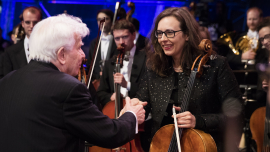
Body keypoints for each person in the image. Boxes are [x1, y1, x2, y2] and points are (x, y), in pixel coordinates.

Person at [0, 14, 147, 152]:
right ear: (61, 54)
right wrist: (131, 115)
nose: (83, 55)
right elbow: (110, 134)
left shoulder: (6, 81)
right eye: (79, 47)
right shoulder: (69, 88)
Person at [129, 7, 243, 152]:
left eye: (170, 33)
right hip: (161, 145)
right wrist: (134, 107)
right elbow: (143, 103)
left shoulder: (215, 65)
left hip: (203, 146)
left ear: (187, 34)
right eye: (159, 33)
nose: (163, 39)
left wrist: (198, 121)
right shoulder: (154, 67)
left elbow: (237, 116)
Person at [97, 19, 146, 107]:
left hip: (137, 109)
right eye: (117, 38)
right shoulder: (110, 62)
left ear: (134, 35)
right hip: (114, 110)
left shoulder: (146, 59)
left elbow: (149, 90)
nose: (121, 42)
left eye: (125, 37)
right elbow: (101, 92)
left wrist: (127, 84)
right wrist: (110, 97)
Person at [3, 6, 42, 76]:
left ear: (41, 23)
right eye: (27, 22)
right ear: (22, 24)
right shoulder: (10, 52)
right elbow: (4, 79)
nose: (32, 26)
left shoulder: (49, 49)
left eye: (35, 22)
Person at [87, 9, 118, 80]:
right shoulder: (94, 42)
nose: (101, 22)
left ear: (112, 21)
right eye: (99, 19)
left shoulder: (117, 41)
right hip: (96, 81)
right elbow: (90, 65)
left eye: (105, 19)